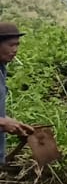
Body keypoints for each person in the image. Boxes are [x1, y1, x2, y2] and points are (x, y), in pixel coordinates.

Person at [0, 22, 36, 163]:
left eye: (17, 45)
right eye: (10, 45)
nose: (15, 50)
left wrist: (10, 121)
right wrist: (2, 123)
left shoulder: (2, 69)